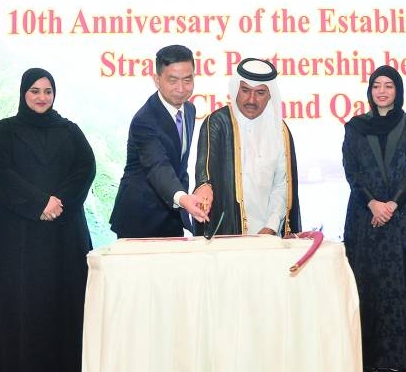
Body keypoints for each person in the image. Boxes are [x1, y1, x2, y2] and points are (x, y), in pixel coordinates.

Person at [0, 68, 96, 372]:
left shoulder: (69, 130)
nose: (42, 97)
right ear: (23, 94)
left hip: (63, 233)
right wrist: (38, 203)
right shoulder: (5, 131)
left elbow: (85, 168)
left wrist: (58, 202)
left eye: (47, 91)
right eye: (35, 91)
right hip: (16, 236)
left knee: (63, 300)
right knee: (22, 301)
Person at [342, 65, 406, 372]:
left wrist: (392, 204)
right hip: (364, 219)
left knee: (403, 286)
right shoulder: (355, 126)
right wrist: (373, 203)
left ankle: (403, 360)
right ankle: (368, 360)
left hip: (403, 218)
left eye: (389, 86)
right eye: (376, 86)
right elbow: (351, 171)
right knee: (367, 286)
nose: (382, 91)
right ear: (369, 91)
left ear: (398, 91)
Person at [110, 44, 208, 238]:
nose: (181, 89)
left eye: (187, 80)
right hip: (140, 217)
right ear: (157, 80)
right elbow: (158, 166)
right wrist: (182, 198)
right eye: (173, 80)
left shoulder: (189, 110)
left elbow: (179, 165)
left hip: (172, 214)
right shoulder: (144, 120)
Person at [193, 58, 300, 236]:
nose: (251, 99)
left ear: (270, 94)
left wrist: (271, 226)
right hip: (225, 236)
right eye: (245, 91)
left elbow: (282, 186)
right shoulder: (218, 123)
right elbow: (205, 175)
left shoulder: (279, 130)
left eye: (260, 93)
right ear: (236, 89)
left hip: (267, 236)